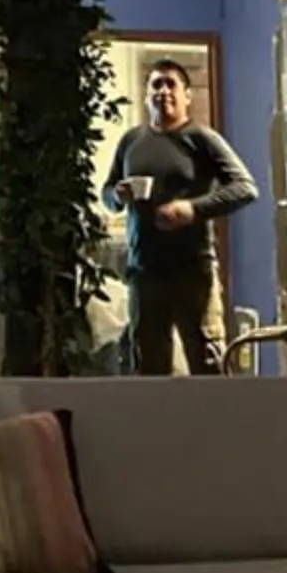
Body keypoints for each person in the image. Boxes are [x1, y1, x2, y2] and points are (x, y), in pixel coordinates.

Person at [103, 59, 257, 375]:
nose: (163, 91)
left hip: (193, 272)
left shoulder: (202, 138)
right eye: (155, 85)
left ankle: (212, 425)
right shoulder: (132, 142)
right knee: (149, 368)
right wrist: (116, 196)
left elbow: (245, 188)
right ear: (147, 97)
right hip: (144, 273)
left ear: (187, 95)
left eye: (170, 84)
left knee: (207, 364)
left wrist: (193, 209)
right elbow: (107, 192)